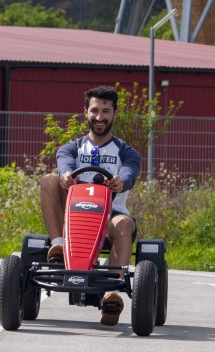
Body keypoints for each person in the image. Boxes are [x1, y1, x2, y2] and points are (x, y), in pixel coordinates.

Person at [39, 86, 141, 326]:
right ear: (85, 112)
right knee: (49, 180)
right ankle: (57, 248)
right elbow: (64, 161)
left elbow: (130, 172)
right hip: (75, 214)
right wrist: (65, 175)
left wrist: (121, 182)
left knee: (125, 223)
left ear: (114, 113)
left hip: (110, 216)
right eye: (94, 110)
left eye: (105, 111)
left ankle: (112, 293)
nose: (99, 117)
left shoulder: (126, 152)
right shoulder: (72, 148)